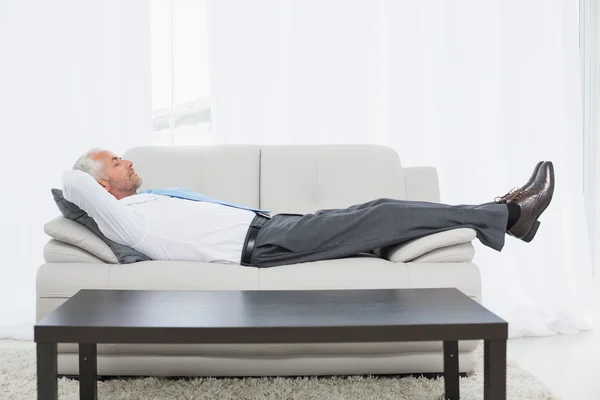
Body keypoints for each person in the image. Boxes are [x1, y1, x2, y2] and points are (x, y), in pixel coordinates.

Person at [62, 148, 555, 268]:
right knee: (382, 214)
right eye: (116, 162)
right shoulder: (123, 219)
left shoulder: (145, 199)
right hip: (266, 245)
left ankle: (508, 217)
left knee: (382, 215)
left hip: (275, 225)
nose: (128, 162)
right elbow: (71, 183)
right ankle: (508, 214)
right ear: (102, 185)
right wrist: (88, 180)